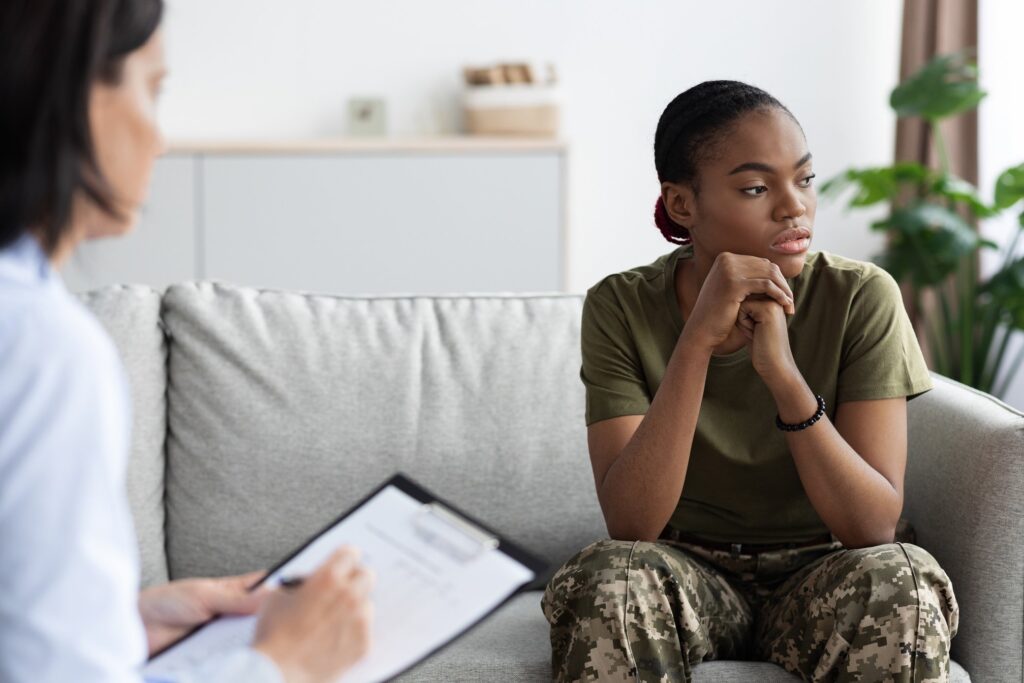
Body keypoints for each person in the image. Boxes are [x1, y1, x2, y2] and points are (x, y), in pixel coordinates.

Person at [0, 1, 373, 681]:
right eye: (153, 88)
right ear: (69, 93)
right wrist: (284, 663)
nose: (160, 139)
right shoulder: (41, 349)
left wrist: (126, 621)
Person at [541, 81, 960, 682]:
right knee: (611, 576)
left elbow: (871, 527)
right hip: (686, 569)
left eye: (805, 179)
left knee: (903, 579)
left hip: (823, 569)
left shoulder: (861, 296)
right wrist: (696, 345)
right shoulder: (621, 306)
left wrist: (783, 375)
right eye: (757, 188)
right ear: (683, 204)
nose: (795, 207)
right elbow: (631, 525)